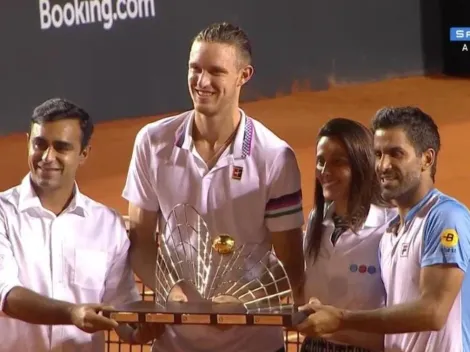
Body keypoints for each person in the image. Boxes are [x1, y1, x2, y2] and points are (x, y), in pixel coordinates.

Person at [122, 22, 305, 352]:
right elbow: (140, 240)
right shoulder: (152, 142)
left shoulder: (275, 157)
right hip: (174, 343)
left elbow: (290, 262)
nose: (202, 82)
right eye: (195, 69)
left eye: (216, 71)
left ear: (243, 76)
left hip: (253, 343)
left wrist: (243, 301)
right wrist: (173, 292)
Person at [296, 106, 470, 352]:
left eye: (396, 153)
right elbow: (391, 331)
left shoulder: (444, 217)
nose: (384, 165)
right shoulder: (390, 233)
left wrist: (341, 318)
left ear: (426, 159)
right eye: (378, 154)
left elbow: (433, 312)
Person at [0, 98, 162, 351]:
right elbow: (6, 296)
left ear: (83, 154)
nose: (47, 156)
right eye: (39, 144)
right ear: (27, 143)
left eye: (61, 147)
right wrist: (73, 313)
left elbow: (119, 303)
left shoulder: (107, 224)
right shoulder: (2, 213)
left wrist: (137, 331)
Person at [301, 117, 396, 352]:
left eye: (338, 162)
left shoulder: (390, 226)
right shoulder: (316, 219)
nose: (325, 171)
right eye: (321, 161)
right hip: (314, 346)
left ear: (361, 166)